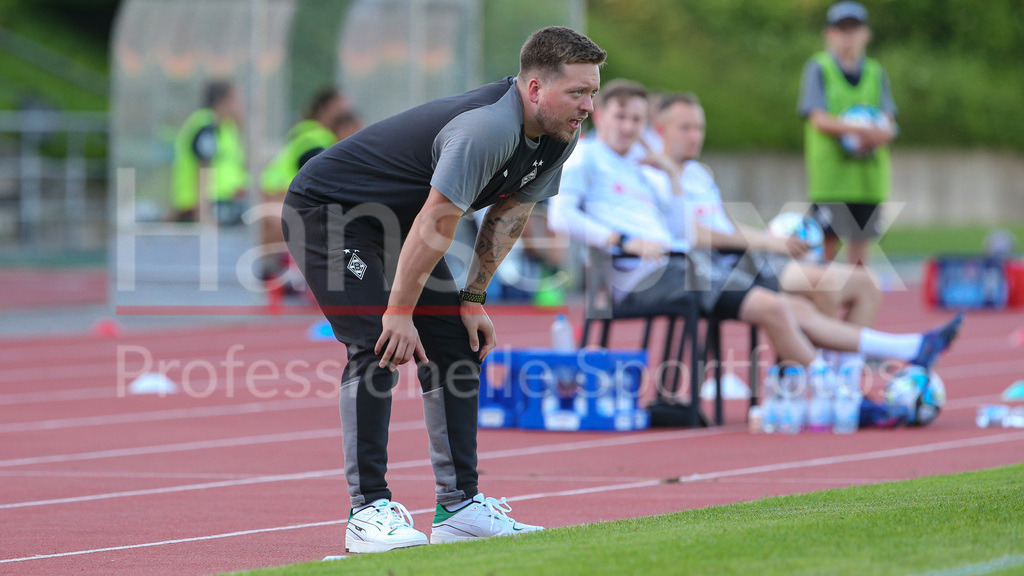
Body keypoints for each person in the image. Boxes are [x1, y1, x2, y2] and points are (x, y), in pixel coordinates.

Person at [283, 26, 606, 553]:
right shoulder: (486, 129)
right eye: (577, 92)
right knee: (377, 342)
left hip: (400, 224)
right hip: (331, 212)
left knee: (456, 340)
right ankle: (366, 511)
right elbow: (438, 219)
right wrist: (398, 312)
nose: (587, 105)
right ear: (533, 89)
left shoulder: (560, 137)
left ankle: (459, 508)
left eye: (592, 91)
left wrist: (473, 299)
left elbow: (509, 215)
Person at [548, 79, 961, 377]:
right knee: (788, 302)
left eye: (636, 118)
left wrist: (671, 172)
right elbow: (560, 217)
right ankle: (839, 387)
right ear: (600, 116)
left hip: (684, 264)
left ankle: (873, 366)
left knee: (803, 302)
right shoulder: (588, 159)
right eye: (622, 117)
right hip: (655, 272)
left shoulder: (647, 168)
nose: (629, 127)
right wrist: (623, 240)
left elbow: (681, 230)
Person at [653, 92, 882, 371]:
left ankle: (846, 375)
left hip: (748, 257)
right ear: (661, 130)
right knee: (823, 285)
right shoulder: (655, 178)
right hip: (717, 268)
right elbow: (693, 234)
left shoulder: (699, 174)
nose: (695, 136)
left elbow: (724, 224)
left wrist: (771, 238)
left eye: (699, 128)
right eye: (685, 128)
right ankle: (805, 380)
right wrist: (767, 242)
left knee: (865, 282)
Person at [799, 1, 897, 266]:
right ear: (829, 33)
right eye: (841, 29)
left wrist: (878, 135)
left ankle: (858, 306)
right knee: (825, 252)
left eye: (854, 29)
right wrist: (859, 129)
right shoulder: (819, 68)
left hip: (867, 182)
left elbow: (889, 120)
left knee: (860, 258)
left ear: (866, 33)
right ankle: (822, 308)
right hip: (832, 181)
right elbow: (817, 118)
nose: (848, 36)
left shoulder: (876, 72)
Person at [259, 89, 360, 292]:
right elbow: (321, 182)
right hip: (279, 202)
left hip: (282, 203)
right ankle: (351, 279)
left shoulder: (309, 134)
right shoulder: (316, 137)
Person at [171, 80, 248, 224]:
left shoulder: (226, 127)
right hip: (204, 206)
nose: (241, 105)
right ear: (223, 101)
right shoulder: (206, 126)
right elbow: (203, 168)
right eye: (237, 100)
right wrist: (204, 214)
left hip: (224, 202)